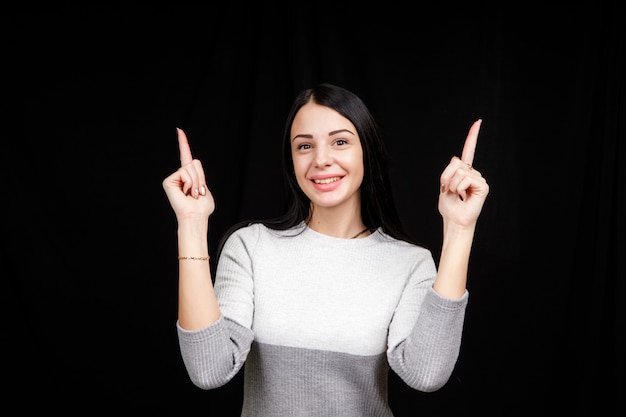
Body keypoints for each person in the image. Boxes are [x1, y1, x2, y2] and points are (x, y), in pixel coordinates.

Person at [162, 83, 489, 416]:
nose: (321, 159)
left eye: (341, 142)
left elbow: (427, 374)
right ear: (292, 160)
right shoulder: (251, 247)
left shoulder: (410, 264)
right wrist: (191, 223)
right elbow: (209, 371)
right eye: (305, 146)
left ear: (367, 151)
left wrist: (460, 229)